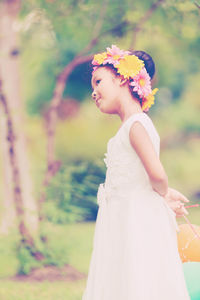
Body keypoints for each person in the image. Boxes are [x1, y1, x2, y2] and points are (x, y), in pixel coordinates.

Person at [82, 45, 191, 300]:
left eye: (98, 82)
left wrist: (164, 195)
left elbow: (157, 173)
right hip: (122, 215)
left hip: (135, 217)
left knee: (138, 274)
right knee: (123, 273)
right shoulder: (129, 127)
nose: (93, 92)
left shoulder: (136, 124)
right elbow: (145, 175)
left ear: (121, 78)